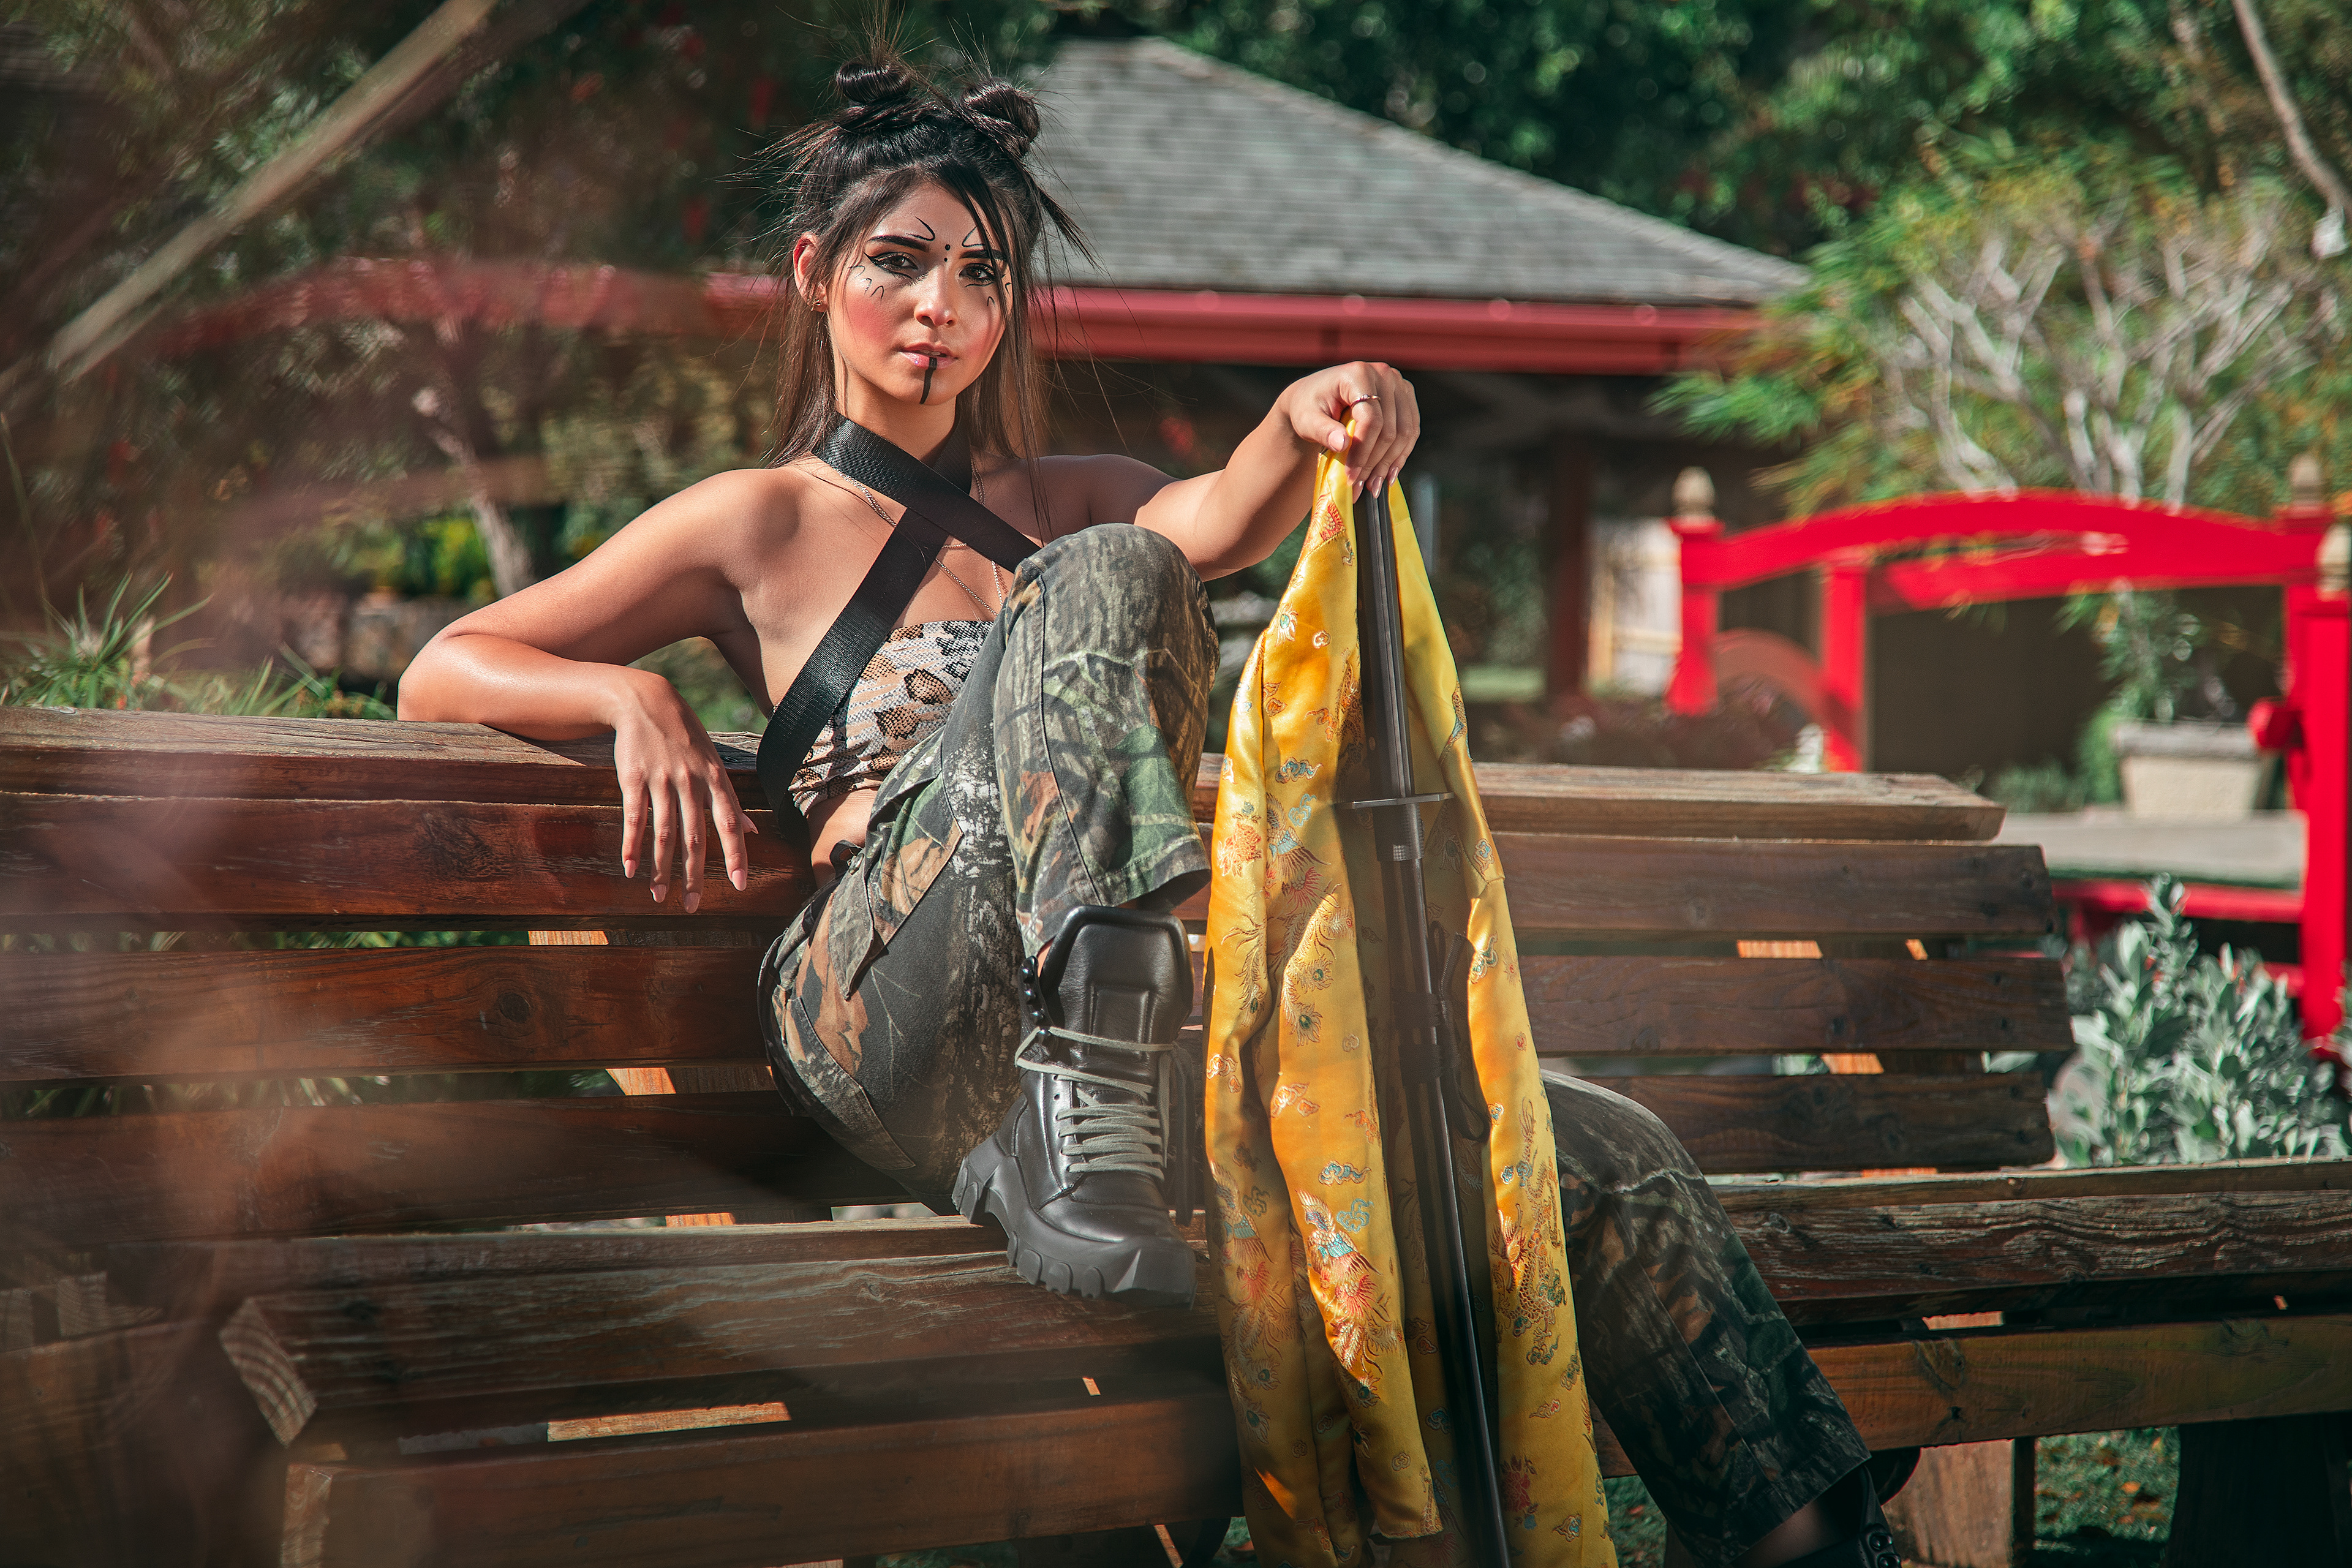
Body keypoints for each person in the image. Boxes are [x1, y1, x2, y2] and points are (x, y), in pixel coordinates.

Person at [396, 45, 1898, 1568]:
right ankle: (1086, 1097)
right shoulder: (757, 518)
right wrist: (628, 697)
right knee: (1113, 568)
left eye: (980, 275)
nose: (938, 306)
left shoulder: (1079, 499)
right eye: (897, 262)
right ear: (814, 274)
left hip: (1121, 1075)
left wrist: (1315, 407)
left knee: (1594, 1148)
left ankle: (1814, 1541)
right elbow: (442, 667)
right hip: (886, 1010)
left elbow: (1223, 514)